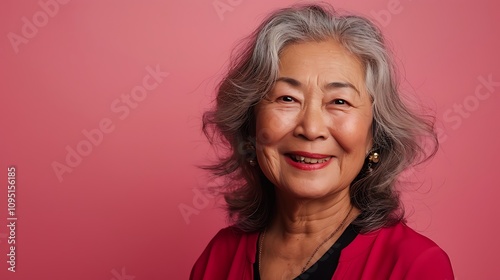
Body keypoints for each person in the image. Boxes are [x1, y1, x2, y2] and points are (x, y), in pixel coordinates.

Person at [191, 3, 454, 280]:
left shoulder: (415, 266)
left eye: (339, 101)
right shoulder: (219, 257)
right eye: (287, 98)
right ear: (251, 125)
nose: (311, 128)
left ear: (375, 135)